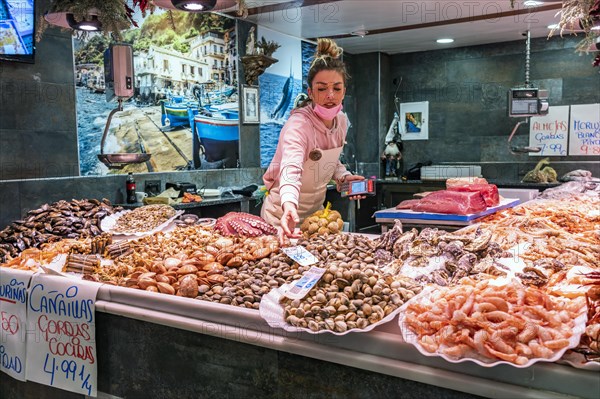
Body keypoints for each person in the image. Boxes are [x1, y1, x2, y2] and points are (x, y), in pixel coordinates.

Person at [261, 38, 365, 241]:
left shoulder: (341, 121)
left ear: (344, 91)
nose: (330, 95)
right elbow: (291, 168)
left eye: (336, 88)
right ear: (310, 92)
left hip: (316, 219)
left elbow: (330, 160)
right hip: (281, 217)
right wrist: (289, 205)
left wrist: (343, 176)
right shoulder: (299, 125)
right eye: (321, 88)